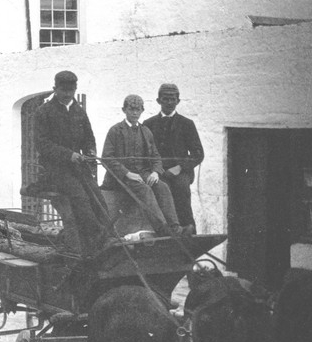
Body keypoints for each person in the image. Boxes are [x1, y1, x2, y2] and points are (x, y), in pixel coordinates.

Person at [33, 70, 109, 256]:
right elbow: (42, 144)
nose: (67, 94)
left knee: (97, 197)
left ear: (75, 89)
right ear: (55, 89)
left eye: (71, 91)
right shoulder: (44, 112)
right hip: (54, 170)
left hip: (78, 168)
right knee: (80, 198)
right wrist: (68, 155)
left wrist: (90, 153)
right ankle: (95, 238)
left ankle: (106, 236)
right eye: (63, 90)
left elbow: (89, 138)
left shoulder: (79, 111)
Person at [101, 94, 183, 236]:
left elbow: (156, 156)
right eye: (131, 109)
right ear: (124, 110)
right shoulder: (115, 131)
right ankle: (162, 229)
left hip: (143, 173)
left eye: (138, 109)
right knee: (145, 190)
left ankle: (175, 228)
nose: (134, 113)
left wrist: (155, 172)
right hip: (120, 177)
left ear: (142, 111)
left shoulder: (146, 131)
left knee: (162, 186)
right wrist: (127, 173)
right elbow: (106, 158)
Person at [142, 83, 204, 234]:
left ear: (178, 101)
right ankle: (165, 232)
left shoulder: (187, 124)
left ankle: (188, 229)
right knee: (160, 190)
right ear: (158, 101)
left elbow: (198, 153)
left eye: (173, 99)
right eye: (165, 99)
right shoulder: (148, 124)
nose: (169, 102)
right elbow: (144, 152)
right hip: (158, 171)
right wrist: (155, 170)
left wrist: (180, 167)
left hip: (180, 171)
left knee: (181, 189)